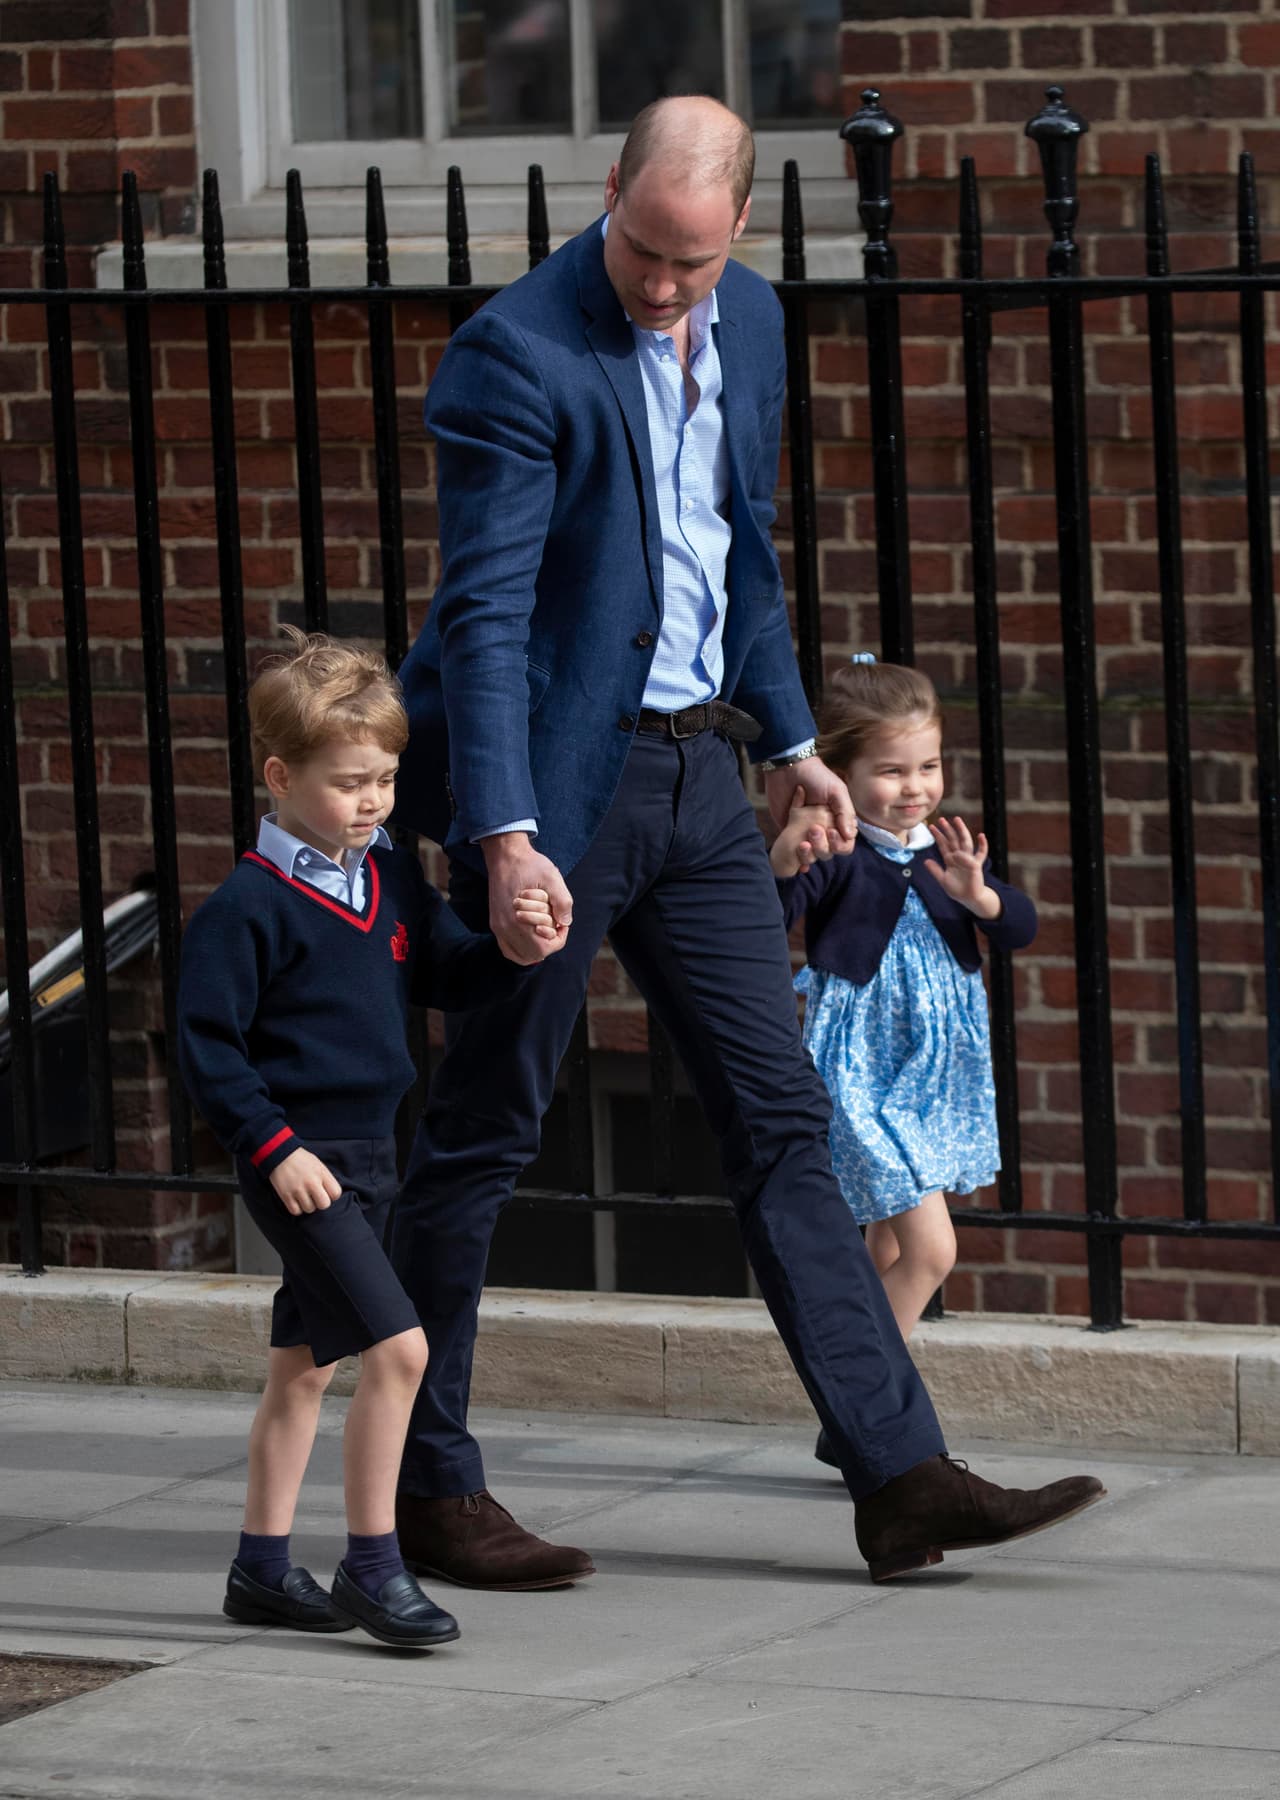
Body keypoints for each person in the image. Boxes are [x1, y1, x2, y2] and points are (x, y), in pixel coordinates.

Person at [390, 95, 1104, 1588]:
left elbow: (746, 549)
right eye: (647, 252)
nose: (664, 287)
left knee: (781, 1122)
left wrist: (792, 748)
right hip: (561, 802)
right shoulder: (516, 354)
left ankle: (899, 1475)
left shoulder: (757, 324)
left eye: (694, 264)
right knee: (487, 1133)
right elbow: (491, 619)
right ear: (611, 199)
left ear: (743, 236)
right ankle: (424, 1485)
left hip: (704, 781)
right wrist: (506, 837)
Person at [177, 629, 554, 1646]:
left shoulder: (384, 875)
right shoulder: (245, 910)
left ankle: (260, 1568)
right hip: (303, 1168)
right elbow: (208, 1051)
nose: (376, 800)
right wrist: (273, 1148)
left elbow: (445, 971)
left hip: (372, 1155)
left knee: (301, 1367)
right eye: (350, 783)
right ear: (279, 776)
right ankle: (372, 1567)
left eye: (385, 779)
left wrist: (510, 952)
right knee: (400, 1350)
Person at [770, 655, 1036, 1467]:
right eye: (889, 770)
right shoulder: (839, 849)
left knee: (887, 1248)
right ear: (842, 773)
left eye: (927, 766)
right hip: (861, 1068)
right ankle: (867, 1416)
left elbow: (1018, 928)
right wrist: (786, 860)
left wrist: (978, 895)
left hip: (934, 1076)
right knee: (930, 1251)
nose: (914, 787)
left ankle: (847, 1422)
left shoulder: (946, 853)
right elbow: (773, 917)